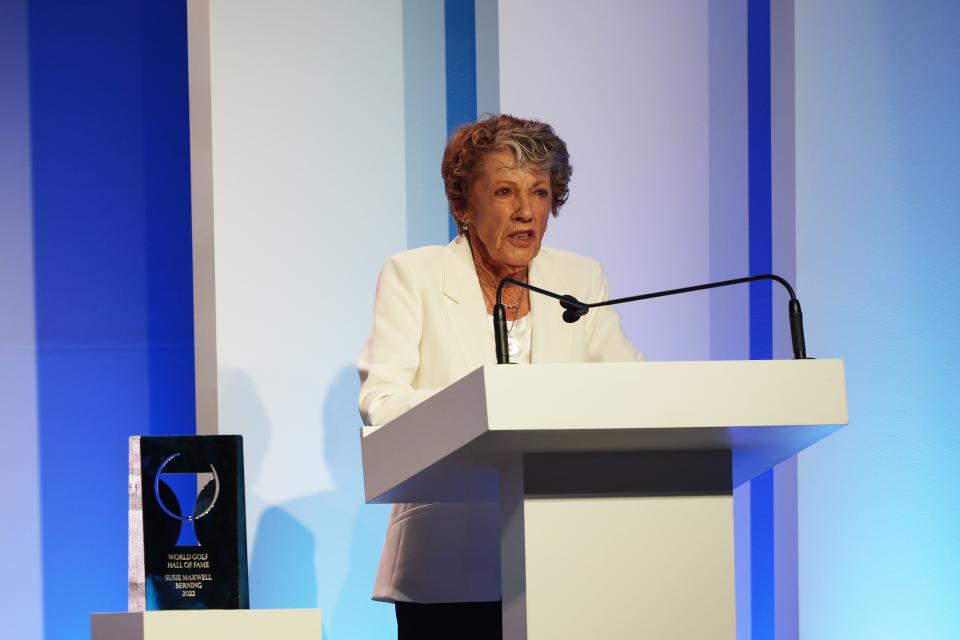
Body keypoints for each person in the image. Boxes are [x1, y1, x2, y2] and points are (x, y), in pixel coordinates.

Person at [358, 114, 641, 639]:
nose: (527, 211)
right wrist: (484, 410)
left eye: (540, 191)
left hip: (564, 561)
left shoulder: (580, 279)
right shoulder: (414, 276)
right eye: (506, 191)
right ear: (464, 205)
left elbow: (628, 393)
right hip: (447, 566)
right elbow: (382, 401)